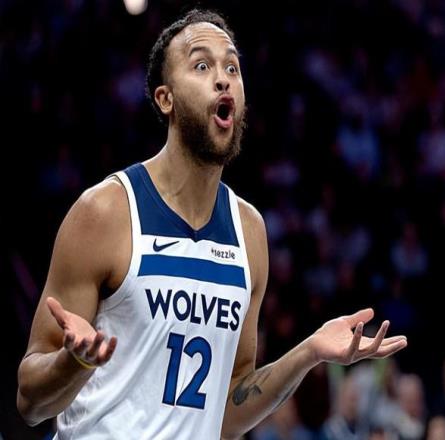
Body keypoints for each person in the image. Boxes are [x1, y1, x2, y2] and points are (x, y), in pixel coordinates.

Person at [16, 9, 407, 439]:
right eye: (202, 66)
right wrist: (74, 362)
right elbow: (30, 403)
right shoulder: (106, 212)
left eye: (232, 68)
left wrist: (308, 352)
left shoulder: (248, 232)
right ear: (165, 99)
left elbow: (228, 412)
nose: (223, 79)